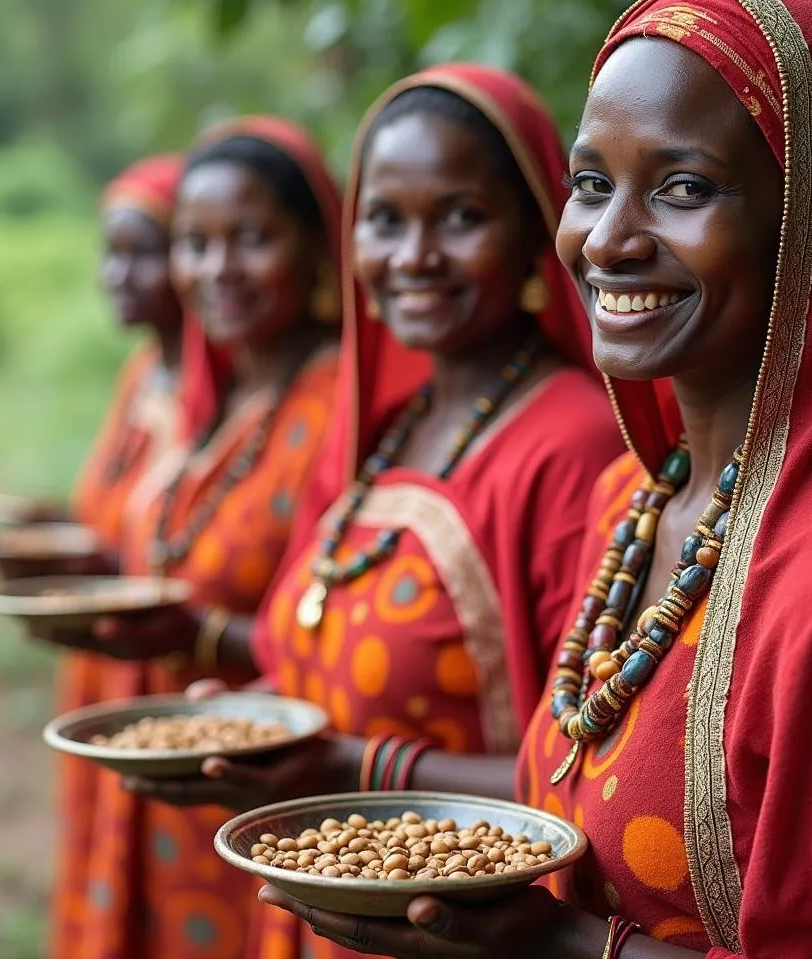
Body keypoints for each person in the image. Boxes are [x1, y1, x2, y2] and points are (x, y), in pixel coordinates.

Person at [259, 0, 812, 959]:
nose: (607, 240)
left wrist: (564, 947)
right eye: (593, 184)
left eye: (684, 187)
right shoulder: (640, 500)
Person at [128, 63, 625, 959]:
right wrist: (253, 719)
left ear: (538, 235)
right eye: (386, 220)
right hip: (329, 906)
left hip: (469, 927)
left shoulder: (571, 444)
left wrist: (351, 768)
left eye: (461, 218)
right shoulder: (385, 431)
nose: (413, 257)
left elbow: (585, 765)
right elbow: (306, 652)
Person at [53, 117, 344, 959]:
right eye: (196, 243)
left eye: (251, 239)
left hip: (253, 782)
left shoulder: (342, 407)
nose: (218, 270)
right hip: (160, 747)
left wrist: (203, 634)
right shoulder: (216, 396)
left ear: (317, 247)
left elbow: (327, 631)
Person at [48, 153, 186, 956]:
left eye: (143, 251)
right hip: (108, 668)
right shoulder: (143, 376)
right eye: (111, 251)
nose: (117, 274)